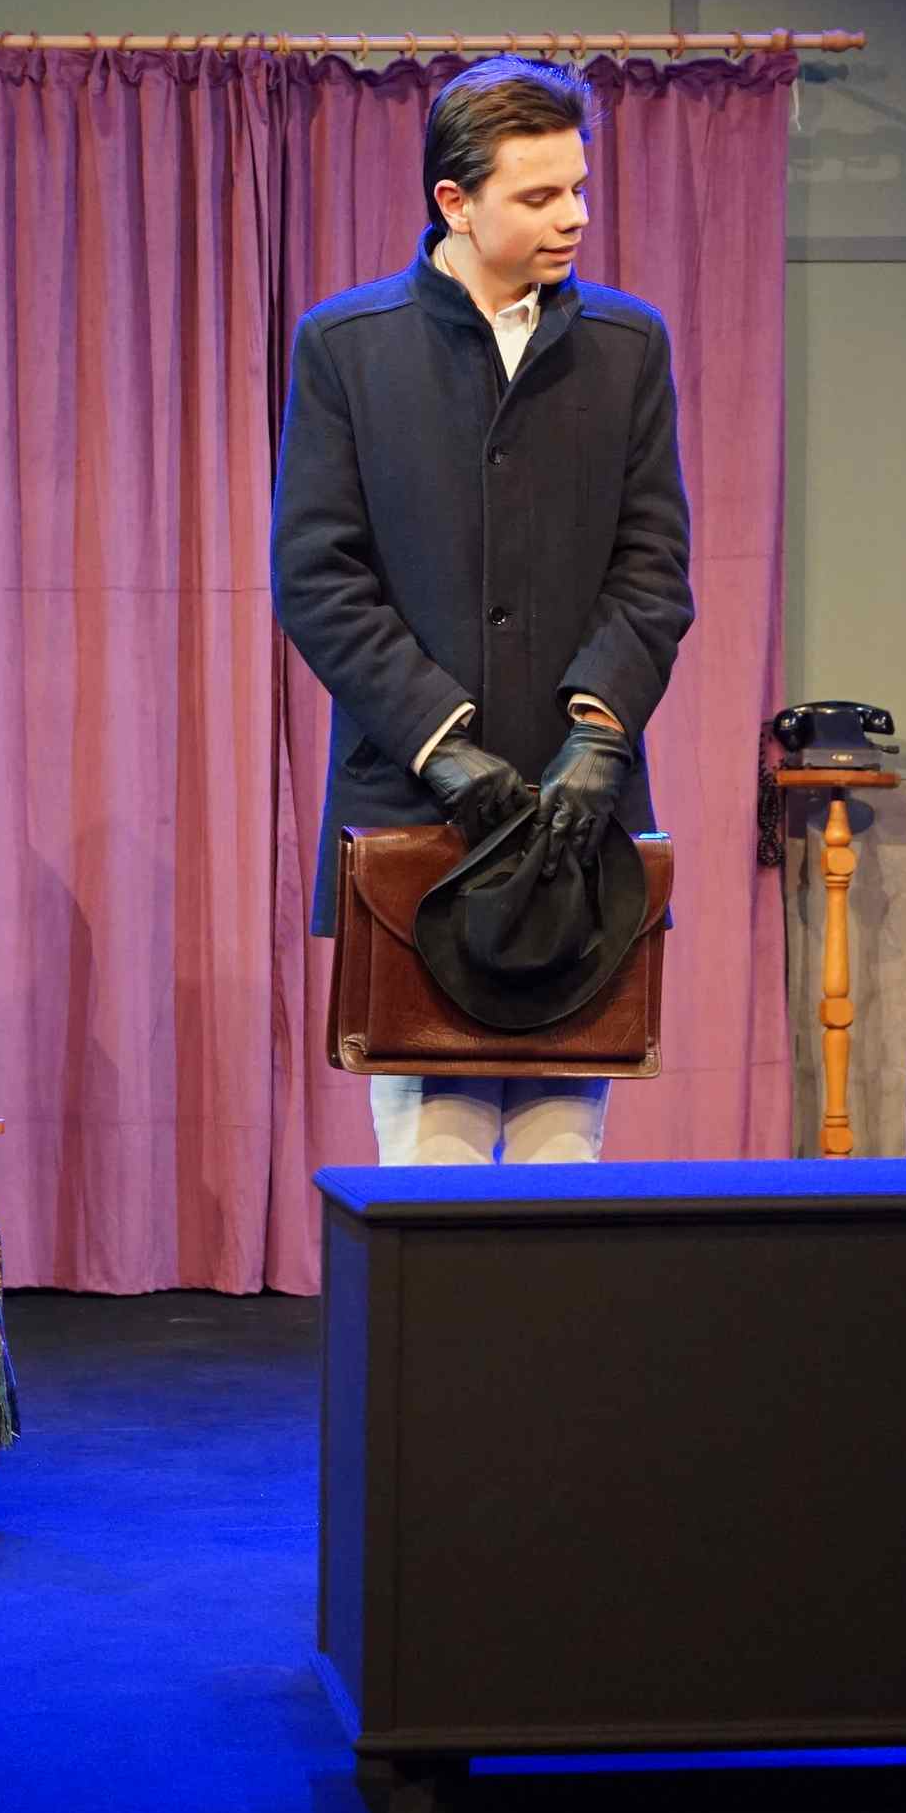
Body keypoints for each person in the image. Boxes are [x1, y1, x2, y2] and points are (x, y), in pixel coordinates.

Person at [272, 58, 693, 1165]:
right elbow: (316, 574)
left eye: (579, 188)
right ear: (453, 201)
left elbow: (654, 566)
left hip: (578, 816)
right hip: (418, 815)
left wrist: (601, 733)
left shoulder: (627, 345)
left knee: (562, 1173)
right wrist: (441, 742)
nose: (575, 216)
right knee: (433, 1176)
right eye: (540, 195)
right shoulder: (346, 346)